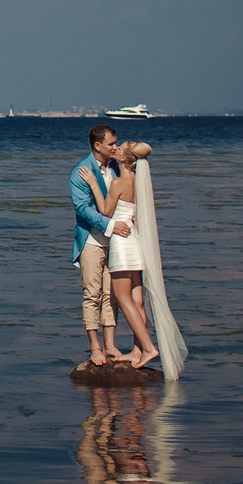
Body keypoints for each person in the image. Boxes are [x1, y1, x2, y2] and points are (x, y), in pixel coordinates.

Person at [94, 140, 162, 370]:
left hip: (122, 245)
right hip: (136, 242)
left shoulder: (118, 182)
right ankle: (136, 351)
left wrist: (94, 184)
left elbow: (105, 211)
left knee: (123, 299)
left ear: (123, 159)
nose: (115, 149)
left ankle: (148, 347)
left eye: (119, 148)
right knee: (137, 300)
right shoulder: (139, 182)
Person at [69, 125, 124, 366]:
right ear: (97, 146)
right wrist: (111, 226)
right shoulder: (80, 172)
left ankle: (110, 344)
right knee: (92, 294)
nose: (115, 147)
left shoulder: (114, 167)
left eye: (116, 142)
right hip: (91, 240)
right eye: (111, 143)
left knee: (112, 294)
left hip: (116, 242)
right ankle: (94, 347)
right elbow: (83, 210)